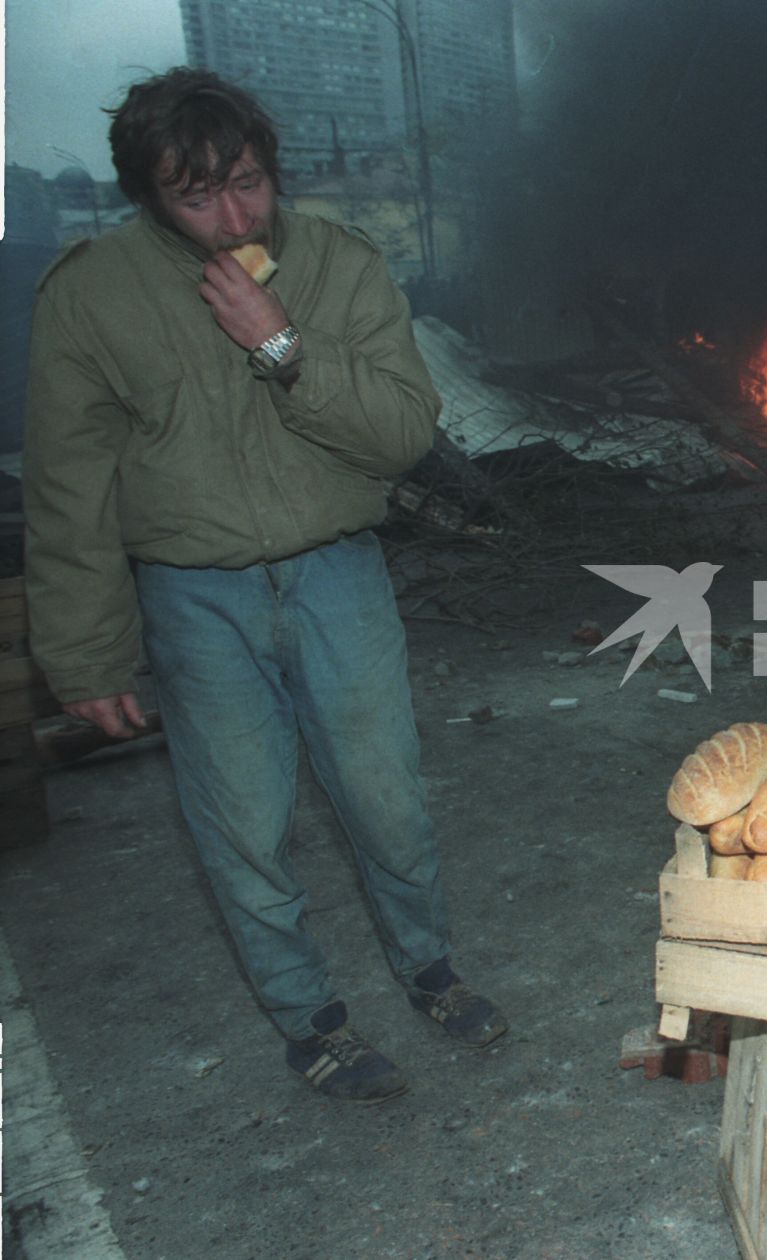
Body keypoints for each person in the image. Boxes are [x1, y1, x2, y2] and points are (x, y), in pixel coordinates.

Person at [23, 69, 506, 1104]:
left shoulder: (338, 262)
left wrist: (284, 346)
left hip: (338, 576)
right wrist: (85, 654)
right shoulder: (92, 294)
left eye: (247, 181)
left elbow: (403, 432)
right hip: (196, 600)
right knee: (243, 825)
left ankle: (430, 970)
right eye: (196, 194)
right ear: (148, 193)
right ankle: (311, 1023)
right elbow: (71, 491)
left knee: (388, 803)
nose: (232, 214)